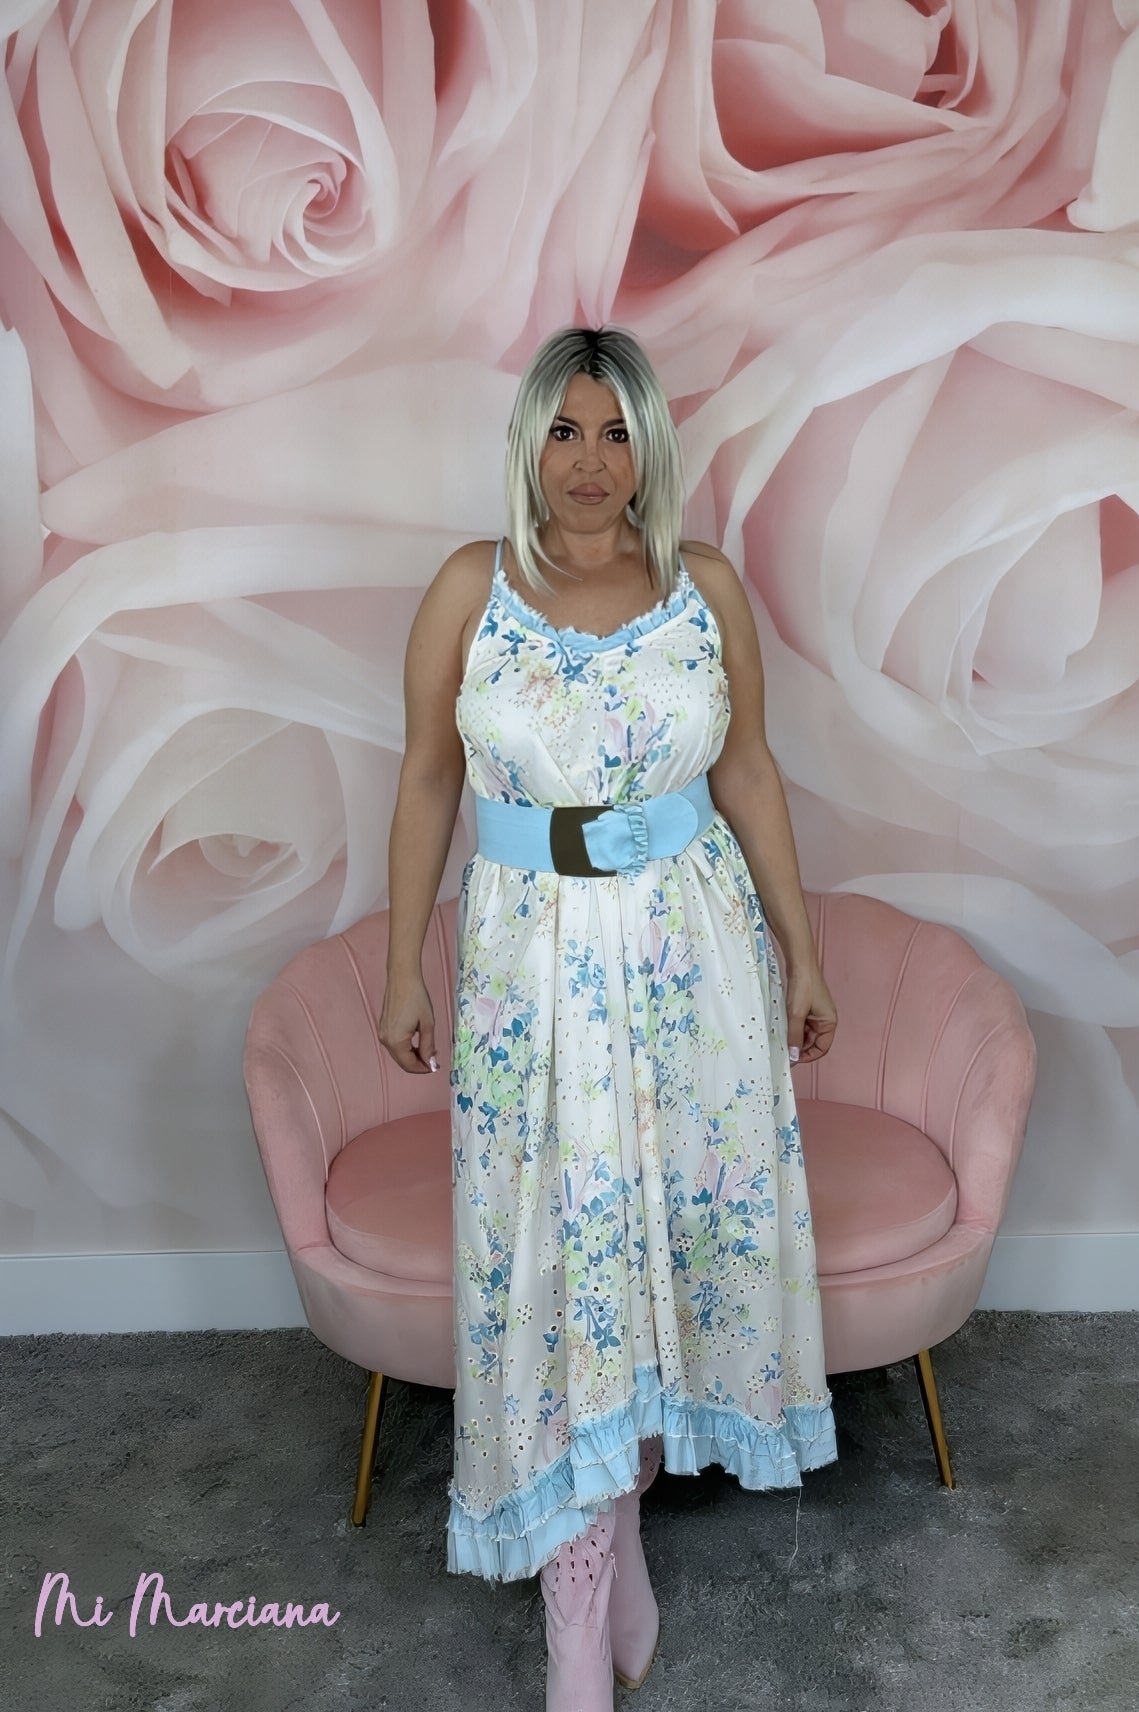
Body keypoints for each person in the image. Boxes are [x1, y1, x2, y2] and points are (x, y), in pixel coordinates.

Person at [379, 325, 838, 1710]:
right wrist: (404, 964)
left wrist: (802, 953)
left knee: (662, 1255)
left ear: (652, 446)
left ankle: (610, 1560)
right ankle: (578, 1613)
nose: (590, 460)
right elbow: (426, 778)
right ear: (531, 443)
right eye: (566, 431)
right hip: (532, 965)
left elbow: (748, 771)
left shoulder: (704, 589)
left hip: (694, 957)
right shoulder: (472, 590)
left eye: (617, 431)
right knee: (561, 1263)